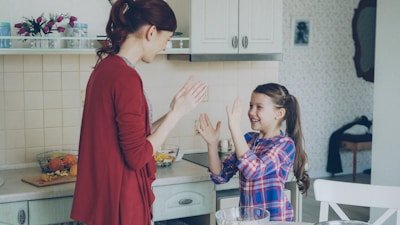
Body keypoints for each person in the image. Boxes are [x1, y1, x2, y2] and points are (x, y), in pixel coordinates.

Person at [70, 0, 207, 224]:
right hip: (121, 201)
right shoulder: (126, 77)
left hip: (105, 200)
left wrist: (173, 109)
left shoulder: (105, 69)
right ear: (151, 32)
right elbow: (137, 156)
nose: (165, 46)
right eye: (167, 39)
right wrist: (177, 114)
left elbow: (132, 136)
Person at [197, 83, 310, 221]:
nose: (251, 112)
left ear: (279, 113)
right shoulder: (248, 139)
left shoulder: (284, 145)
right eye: (251, 105)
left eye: (259, 107)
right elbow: (220, 176)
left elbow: (254, 171)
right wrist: (212, 144)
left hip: (275, 221)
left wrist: (235, 129)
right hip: (249, 220)